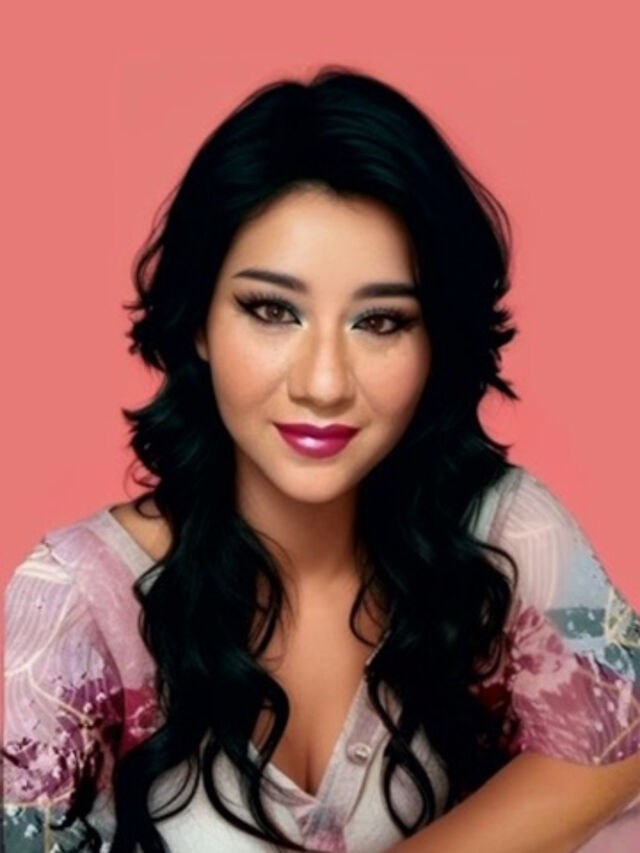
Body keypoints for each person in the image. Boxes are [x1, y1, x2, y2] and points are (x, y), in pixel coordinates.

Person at [2, 65, 639, 853]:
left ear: (435, 341)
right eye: (272, 310)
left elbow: (620, 738)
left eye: (381, 321)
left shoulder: (502, 531)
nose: (325, 382)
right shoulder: (77, 606)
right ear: (198, 321)